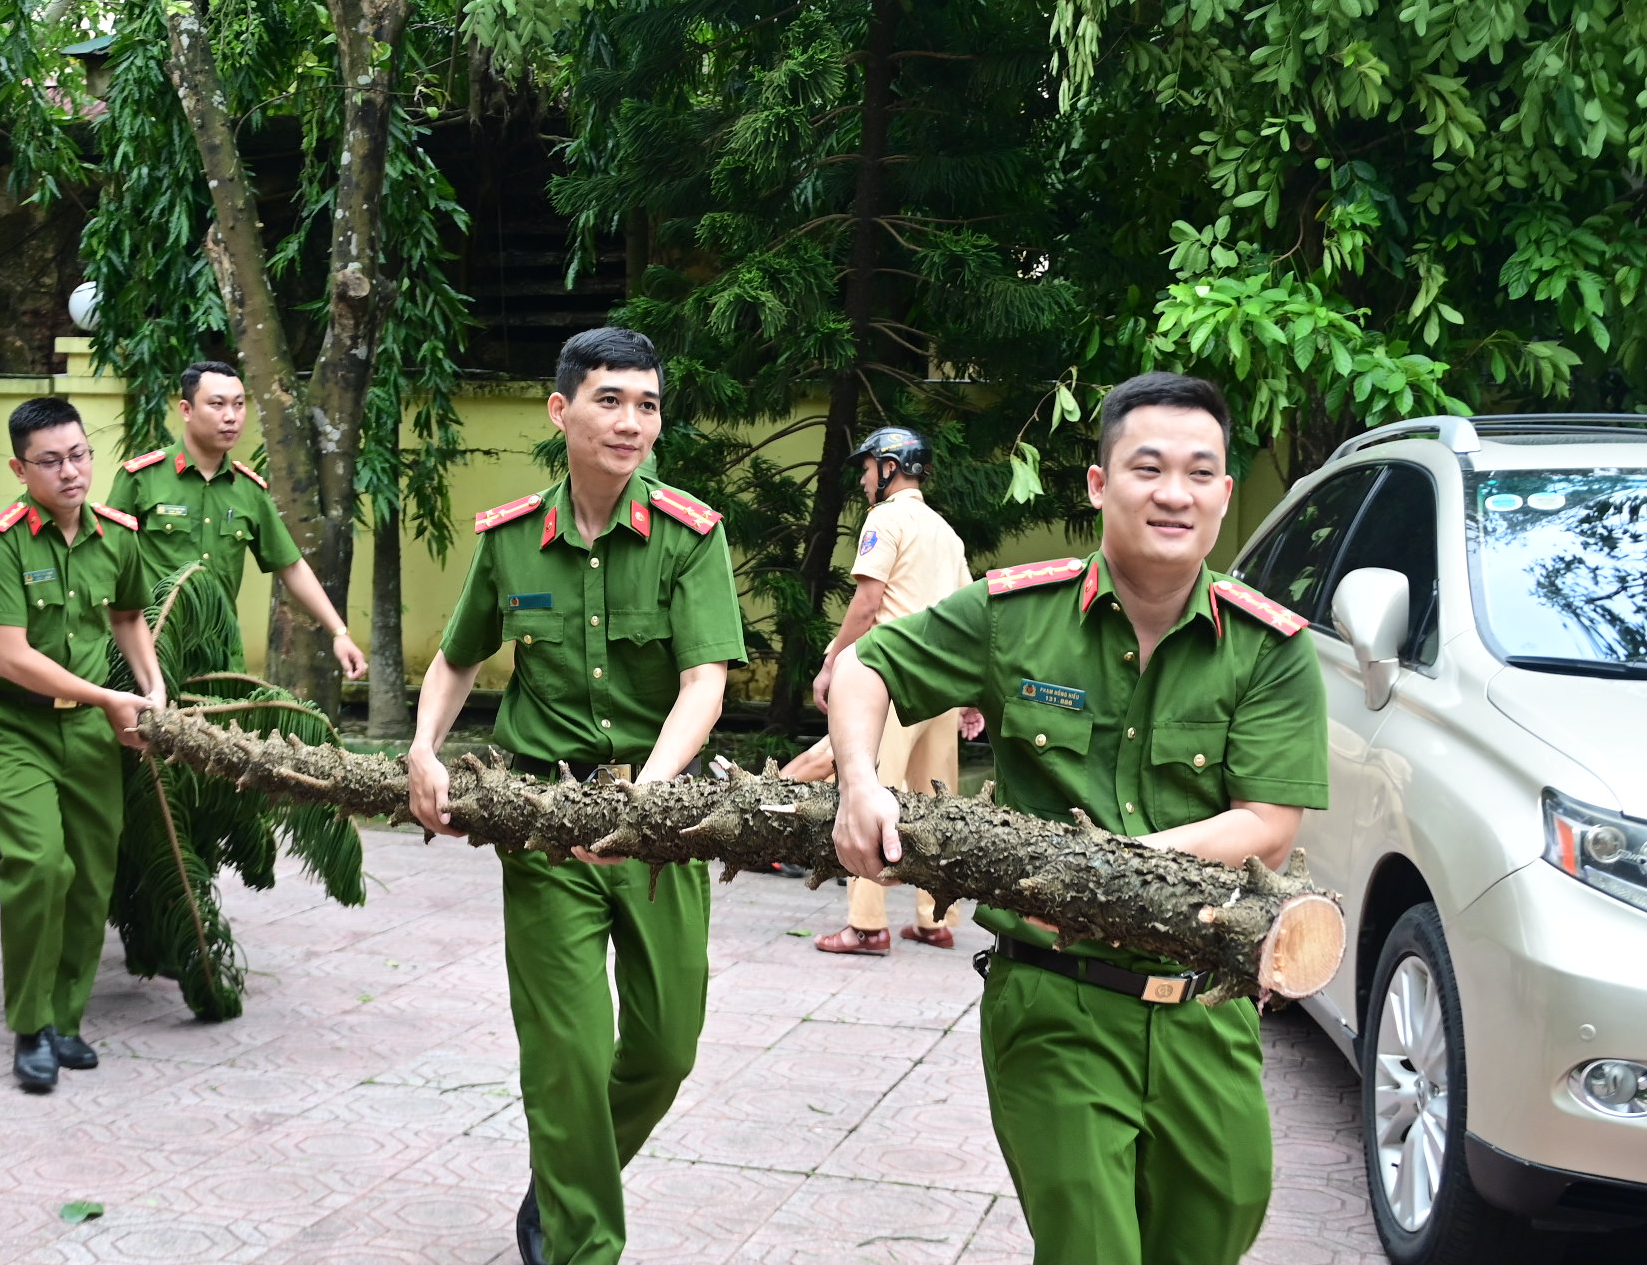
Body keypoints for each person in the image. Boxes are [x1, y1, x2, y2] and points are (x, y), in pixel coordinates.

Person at [828, 372, 1328, 1265]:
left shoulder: (1271, 650)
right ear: (1100, 485)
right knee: (1090, 1248)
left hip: (1202, 1007)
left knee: (1216, 1229)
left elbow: (1267, 822)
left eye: (1200, 472)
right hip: (1054, 999)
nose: (1173, 493)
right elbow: (867, 668)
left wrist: (1119, 868)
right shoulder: (1017, 612)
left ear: (1222, 493)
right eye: (1147, 467)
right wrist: (862, 782)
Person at [406, 328, 746, 1265]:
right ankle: (577, 1241)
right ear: (561, 411)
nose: (631, 421)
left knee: (666, 1048)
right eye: (610, 400)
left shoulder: (689, 535)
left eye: (647, 404)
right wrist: (424, 750)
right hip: (544, 825)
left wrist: (646, 798)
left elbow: (704, 683)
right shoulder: (513, 539)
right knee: (565, 1051)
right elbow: (458, 657)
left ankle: (563, 1177)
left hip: (658, 825)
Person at [0, 397, 165, 1092]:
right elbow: (10, 656)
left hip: (84, 727)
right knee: (41, 865)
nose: (70, 472)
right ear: (21, 468)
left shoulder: (117, 534)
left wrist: (152, 689)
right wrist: (112, 698)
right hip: (9, 721)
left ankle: (66, 1022)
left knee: (90, 873)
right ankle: (30, 1026)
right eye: (50, 461)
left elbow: (131, 614)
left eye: (79, 454)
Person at [809, 426, 983, 955]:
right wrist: (972, 694)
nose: (863, 480)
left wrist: (832, 662)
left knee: (869, 790)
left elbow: (867, 604)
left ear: (889, 467)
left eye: (867, 469)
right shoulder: (945, 532)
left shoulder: (885, 519)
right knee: (937, 800)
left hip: (890, 680)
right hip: (942, 686)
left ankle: (866, 926)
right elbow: (969, 615)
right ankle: (935, 919)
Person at [106, 360, 368, 679]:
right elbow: (104, 561)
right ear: (186, 410)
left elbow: (291, 565)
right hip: (149, 653)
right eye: (217, 404)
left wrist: (339, 633)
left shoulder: (249, 491)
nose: (231, 416)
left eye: (239, 405)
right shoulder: (141, 478)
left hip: (219, 661)